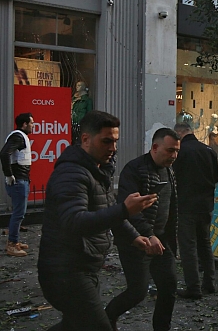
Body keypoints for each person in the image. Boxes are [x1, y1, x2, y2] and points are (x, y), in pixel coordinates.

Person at [38, 110, 156, 331]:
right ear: (85, 139)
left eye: (115, 141)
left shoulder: (97, 171)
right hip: (65, 272)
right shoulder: (72, 173)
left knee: (73, 325)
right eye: (106, 141)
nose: (112, 148)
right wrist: (124, 210)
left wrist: (134, 237)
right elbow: (75, 221)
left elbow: (106, 211)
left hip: (83, 268)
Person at [105, 128, 181, 330]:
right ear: (155, 147)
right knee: (137, 291)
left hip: (161, 239)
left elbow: (171, 207)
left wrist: (170, 238)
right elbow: (130, 211)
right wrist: (148, 234)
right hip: (135, 241)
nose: (173, 156)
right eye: (170, 150)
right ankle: (107, 317)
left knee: (169, 284)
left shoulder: (170, 170)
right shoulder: (134, 169)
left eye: (176, 151)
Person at [172, 122, 218, 299]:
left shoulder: (180, 152)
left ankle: (193, 288)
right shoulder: (209, 150)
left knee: (188, 246)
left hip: (186, 205)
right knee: (205, 244)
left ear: (179, 133)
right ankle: (210, 282)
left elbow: (174, 177)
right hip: (206, 205)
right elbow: (215, 178)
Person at [1, 113, 34, 257]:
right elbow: (4, 153)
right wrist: (8, 174)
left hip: (20, 181)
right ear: (24, 124)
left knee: (18, 213)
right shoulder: (18, 136)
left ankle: (14, 241)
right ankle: (12, 244)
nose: (33, 125)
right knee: (18, 214)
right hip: (18, 182)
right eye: (31, 123)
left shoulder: (20, 137)